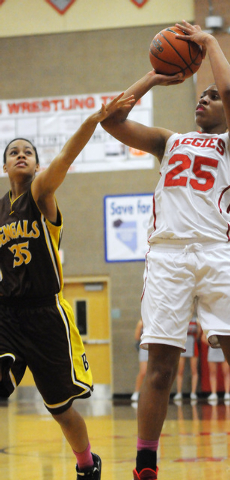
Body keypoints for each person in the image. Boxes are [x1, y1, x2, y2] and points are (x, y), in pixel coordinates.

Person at [101, 20, 230, 480]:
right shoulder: (170, 140)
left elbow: (226, 87)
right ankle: (146, 465)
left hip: (218, 253)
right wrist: (153, 78)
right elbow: (110, 120)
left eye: (211, 97)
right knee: (161, 367)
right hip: (167, 256)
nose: (202, 99)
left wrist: (207, 42)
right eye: (198, 96)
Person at [0, 93, 132, 480]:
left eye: (28, 151)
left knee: (60, 409)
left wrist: (93, 120)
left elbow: (66, 160)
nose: (21, 155)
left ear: (38, 163)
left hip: (46, 316)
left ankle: (87, 465)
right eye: (13, 152)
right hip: (7, 313)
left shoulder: (41, 195)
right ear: (5, 165)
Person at [174, 312, 201, 402]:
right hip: (183, 345)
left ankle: (193, 393)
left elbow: (199, 334)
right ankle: (178, 393)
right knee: (180, 370)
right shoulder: (181, 319)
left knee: (194, 370)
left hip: (193, 345)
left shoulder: (196, 320)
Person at [202, 332, 230, 403]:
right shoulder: (210, 327)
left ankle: (227, 394)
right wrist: (212, 344)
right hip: (213, 349)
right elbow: (203, 338)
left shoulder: (224, 326)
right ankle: (213, 393)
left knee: (226, 372)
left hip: (224, 349)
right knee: (213, 373)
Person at [132, 319, 148, 402]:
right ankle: (136, 392)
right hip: (144, 347)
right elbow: (136, 337)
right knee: (143, 372)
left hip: (154, 348)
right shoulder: (141, 322)